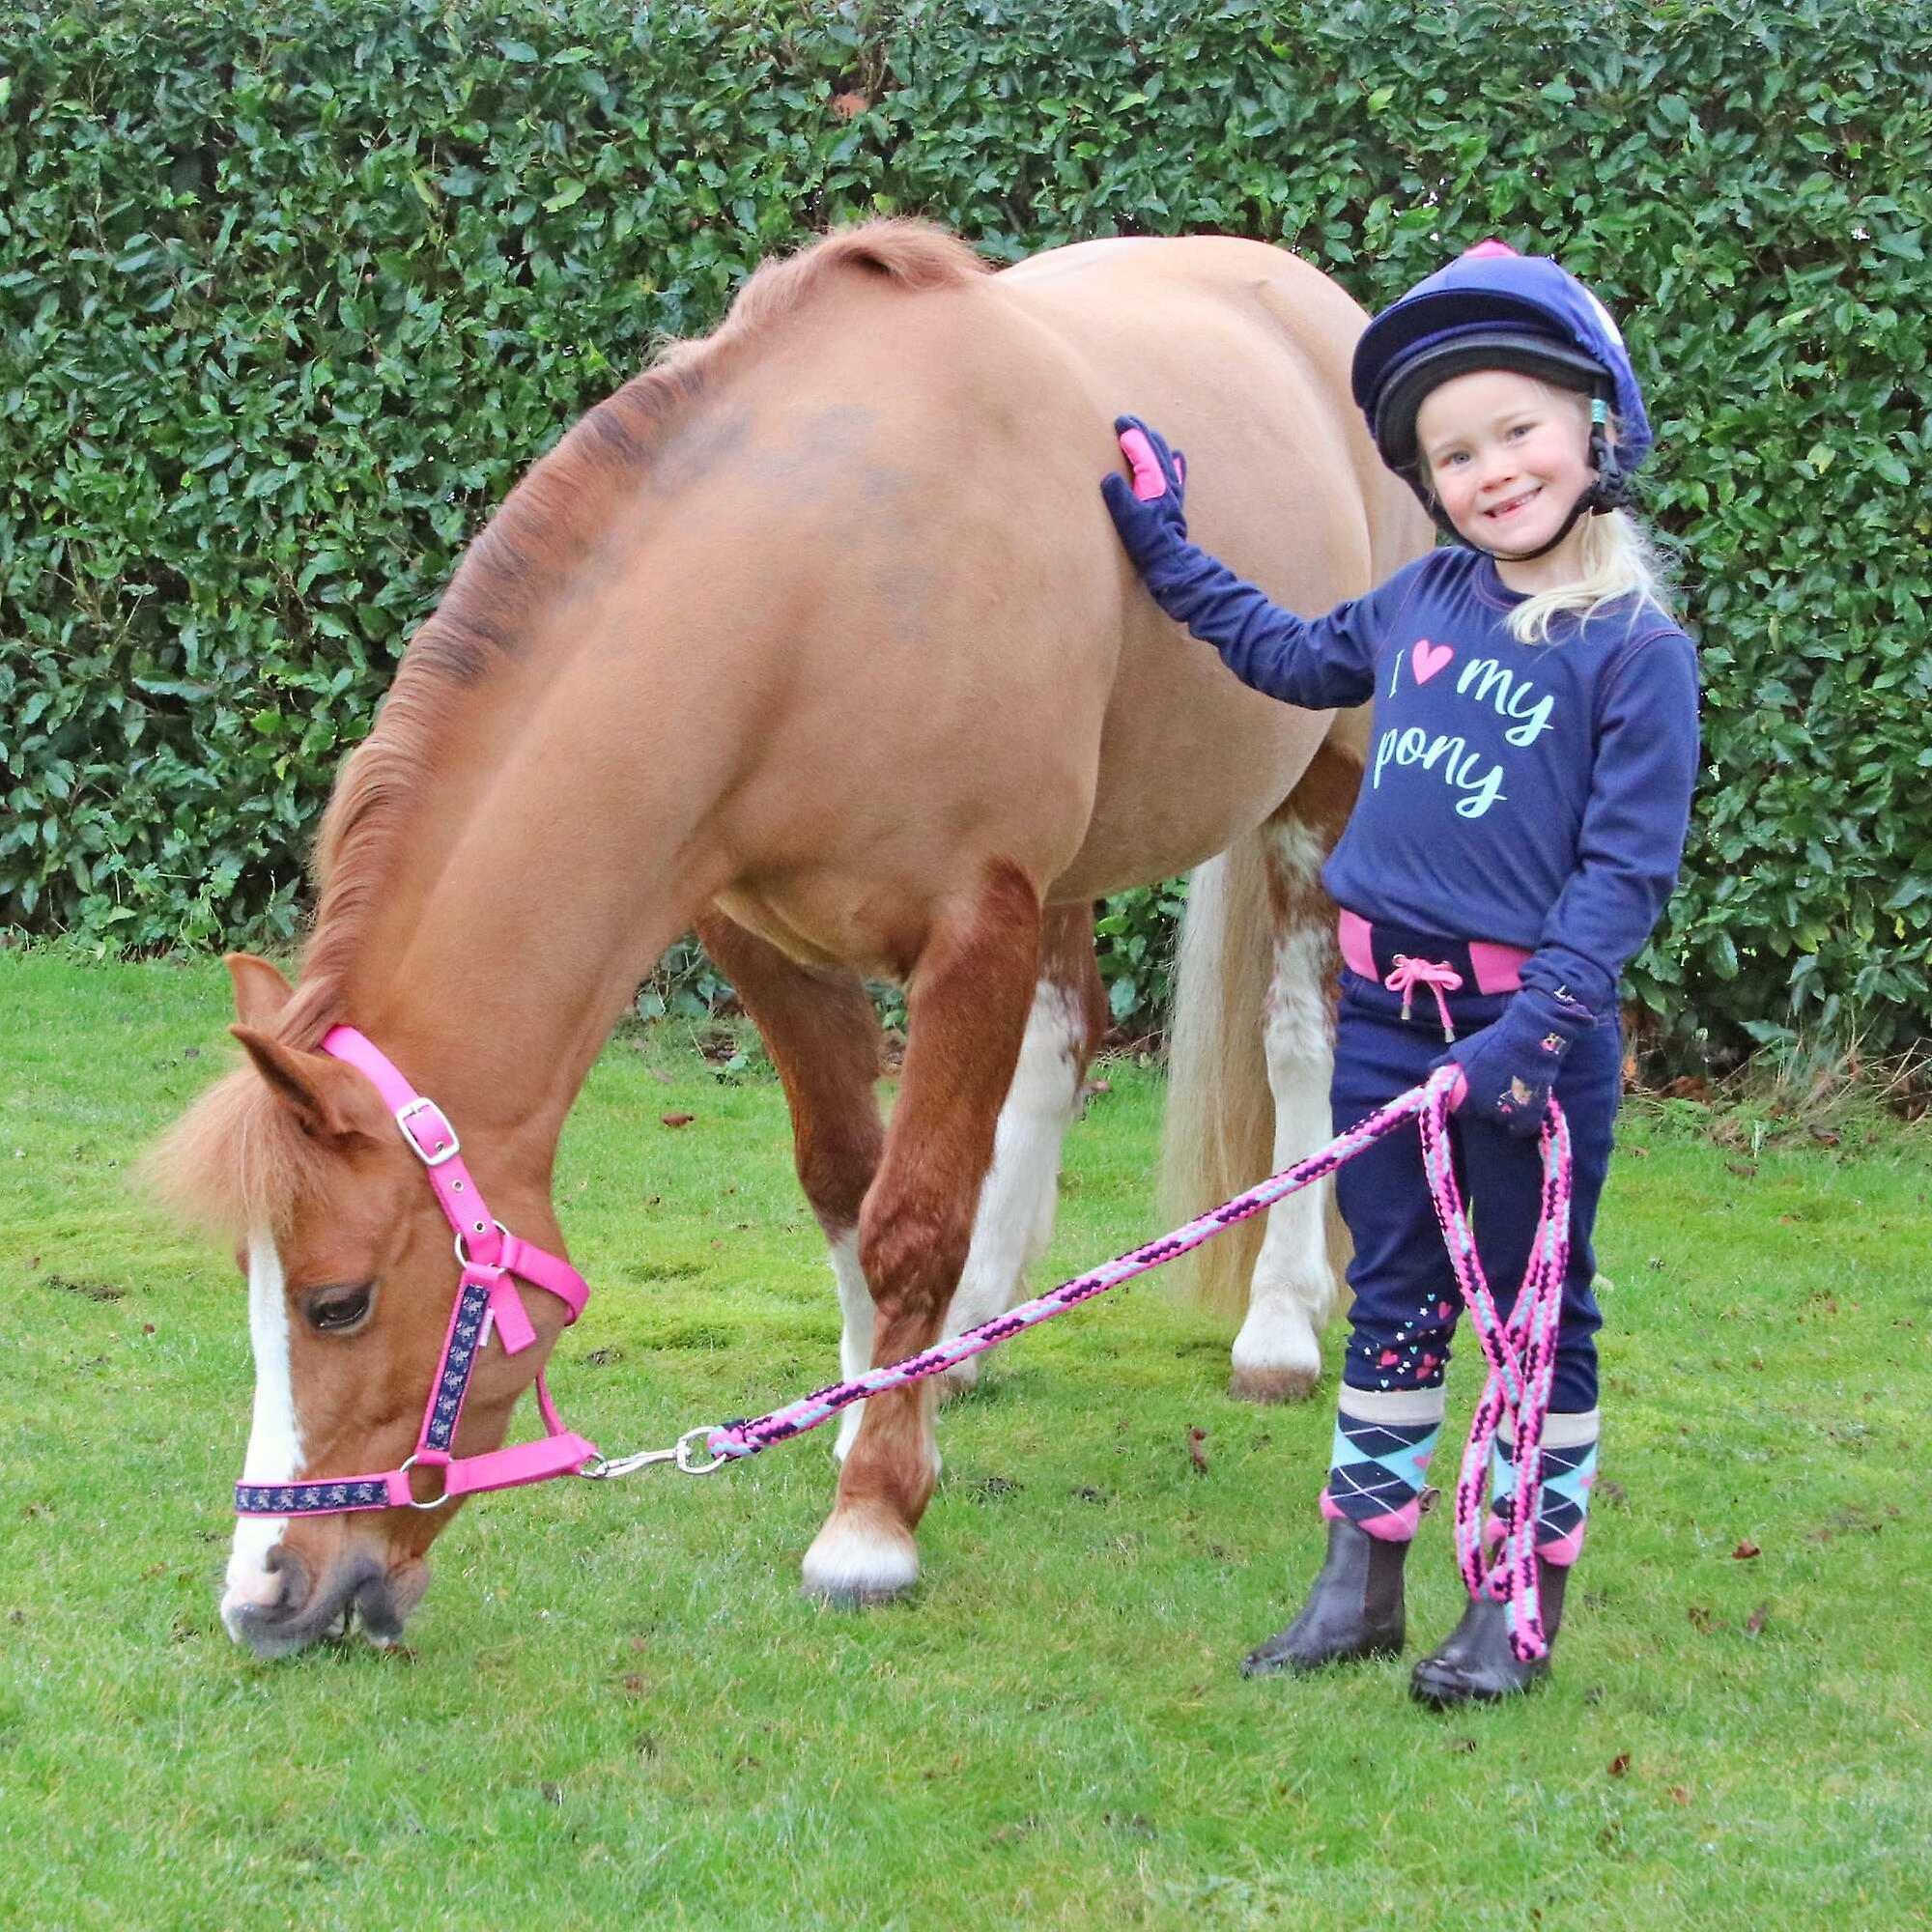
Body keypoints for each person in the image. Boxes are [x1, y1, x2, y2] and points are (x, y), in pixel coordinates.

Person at [1101, 242, 1699, 1706]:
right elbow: (1289, 655)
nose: (1491, 469)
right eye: (1454, 452)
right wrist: (1169, 547)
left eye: (1517, 430)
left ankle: (1514, 1605)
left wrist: (1536, 1038)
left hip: (1521, 1042)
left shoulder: (1635, 654)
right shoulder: (1424, 599)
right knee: (1396, 1304)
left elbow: (1623, 881)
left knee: (1534, 1315)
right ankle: (1358, 1585)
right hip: (1382, 1020)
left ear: (1593, 431)